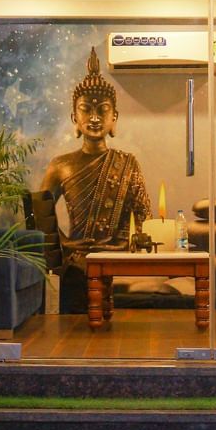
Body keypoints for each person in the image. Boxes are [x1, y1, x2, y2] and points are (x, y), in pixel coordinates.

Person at [41, 47, 151, 274]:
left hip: (117, 257)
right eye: (86, 110)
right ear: (74, 117)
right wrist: (66, 243)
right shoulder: (60, 166)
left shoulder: (128, 163)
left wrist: (124, 244)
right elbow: (39, 216)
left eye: (102, 110)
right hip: (76, 260)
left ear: (114, 118)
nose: (94, 118)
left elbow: (143, 218)